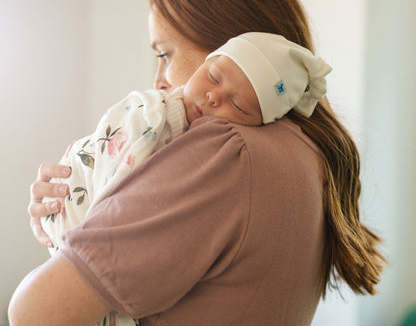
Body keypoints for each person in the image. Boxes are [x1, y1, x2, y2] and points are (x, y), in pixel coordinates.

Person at [9, 0, 385, 326]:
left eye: (164, 54)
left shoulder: (226, 154)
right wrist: (82, 195)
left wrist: (71, 235)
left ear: (229, 49)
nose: (157, 80)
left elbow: (34, 312)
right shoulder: (305, 152)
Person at [42, 31, 331, 256]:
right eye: (214, 77)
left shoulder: (232, 152)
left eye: (238, 105)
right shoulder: (154, 114)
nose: (214, 98)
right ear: (208, 63)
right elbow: (109, 183)